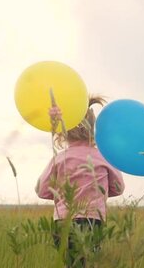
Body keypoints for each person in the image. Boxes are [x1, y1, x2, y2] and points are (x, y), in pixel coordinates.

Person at [35, 96, 124, 267]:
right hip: (93, 221)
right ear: (95, 130)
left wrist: (59, 196)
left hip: (62, 221)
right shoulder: (103, 157)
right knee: (88, 263)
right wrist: (100, 192)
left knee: (71, 264)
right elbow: (119, 187)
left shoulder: (60, 159)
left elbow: (41, 190)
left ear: (64, 131)